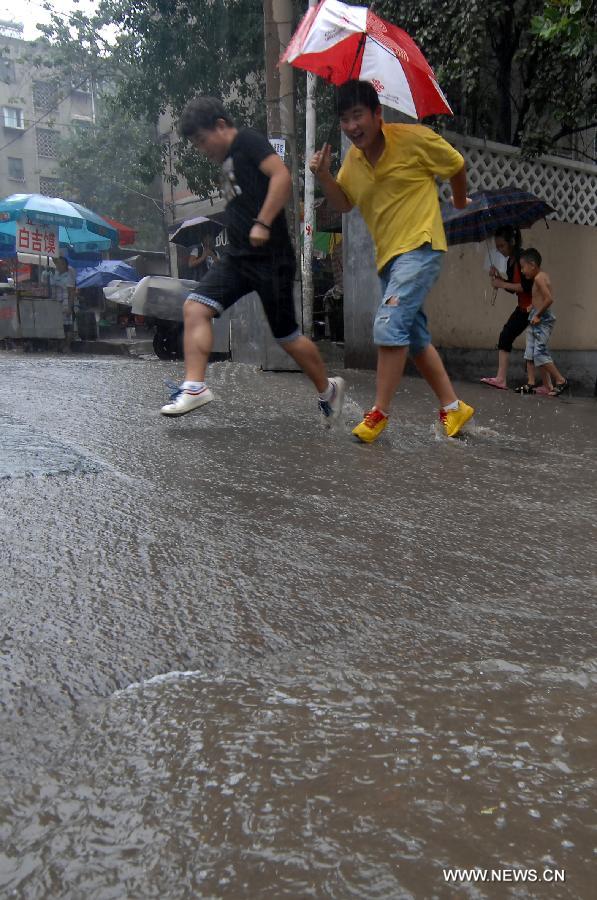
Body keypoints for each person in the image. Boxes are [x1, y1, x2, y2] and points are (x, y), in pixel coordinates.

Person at [160, 96, 345, 423]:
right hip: (237, 258)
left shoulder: (247, 140)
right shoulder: (228, 160)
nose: (202, 149)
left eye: (202, 141)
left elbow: (282, 177)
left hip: (270, 258)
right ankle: (194, 386)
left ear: (220, 125)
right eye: (196, 145)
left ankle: (328, 390)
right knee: (195, 306)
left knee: (287, 336)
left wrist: (262, 222)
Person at [309, 80, 474, 442]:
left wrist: (459, 201)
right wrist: (322, 175)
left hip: (422, 246)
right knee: (414, 339)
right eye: (344, 119)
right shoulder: (352, 161)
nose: (352, 126)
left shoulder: (414, 138)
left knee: (388, 325)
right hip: (389, 260)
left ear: (377, 114)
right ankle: (453, 408)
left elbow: (456, 164)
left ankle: (379, 413)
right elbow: (343, 203)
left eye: (358, 115)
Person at [480, 226, 550, 393]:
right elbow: (513, 287)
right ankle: (546, 385)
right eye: (497, 247)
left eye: (502, 246)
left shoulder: (521, 258)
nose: (499, 250)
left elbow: (525, 287)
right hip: (523, 307)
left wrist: (502, 283)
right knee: (516, 339)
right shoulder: (511, 261)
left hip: (532, 308)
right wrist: (500, 279)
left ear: (512, 242)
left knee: (530, 345)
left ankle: (503, 379)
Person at [518, 248, 568, 396]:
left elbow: (549, 299)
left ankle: (560, 380)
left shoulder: (539, 278)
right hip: (535, 315)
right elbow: (540, 298)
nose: (522, 271)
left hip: (542, 319)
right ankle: (532, 383)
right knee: (530, 352)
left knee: (539, 353)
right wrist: (532, 307)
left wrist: (538, 314)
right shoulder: (540, 276)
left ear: (532, 265)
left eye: (523, 267)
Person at [51, 255, 77, 352]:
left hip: (66, 304)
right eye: (57, 263)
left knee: (67, 327)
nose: (59, 265)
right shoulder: (55, 274)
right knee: (59, 326)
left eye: (61, 264)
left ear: (65, 265)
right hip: (56, 303)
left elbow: (71, 293)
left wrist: (70, 307)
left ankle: (67, 346)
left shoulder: (69, 276)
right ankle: (60, 345)